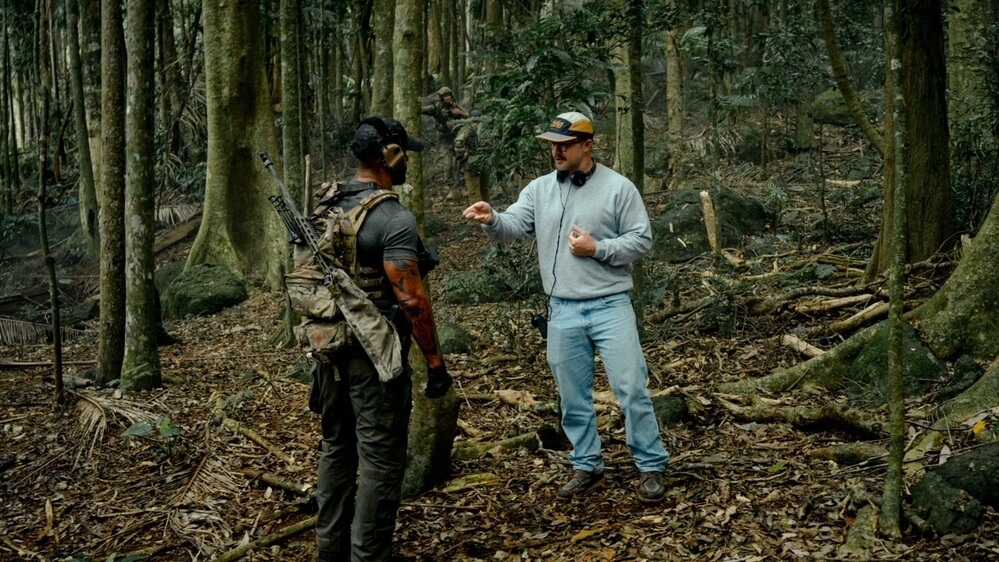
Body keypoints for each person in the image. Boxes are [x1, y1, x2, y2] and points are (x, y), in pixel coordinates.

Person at [462, 111, 669, 504]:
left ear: (587, 145)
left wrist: (599, 249)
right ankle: (587, 463)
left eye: (565, 144)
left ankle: (651, 465)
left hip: (611, 305)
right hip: (562, 310)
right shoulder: (539, 189)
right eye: (552, 145)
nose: (556, 151)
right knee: (572, 396)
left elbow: (642, 240)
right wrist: (491, 219)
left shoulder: (619, 188)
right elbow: (513, 226)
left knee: (631, 389)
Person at [312, 116, 452, 562]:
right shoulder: (392, 217)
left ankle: (329, 550)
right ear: (390, 155)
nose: (408, 157)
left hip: (328, 350)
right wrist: (435, 364)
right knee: (381, 459)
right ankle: (370, 555)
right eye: (403, 150)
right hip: (376, 358)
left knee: (337, 448)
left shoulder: (328, 206)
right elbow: (411, 302)